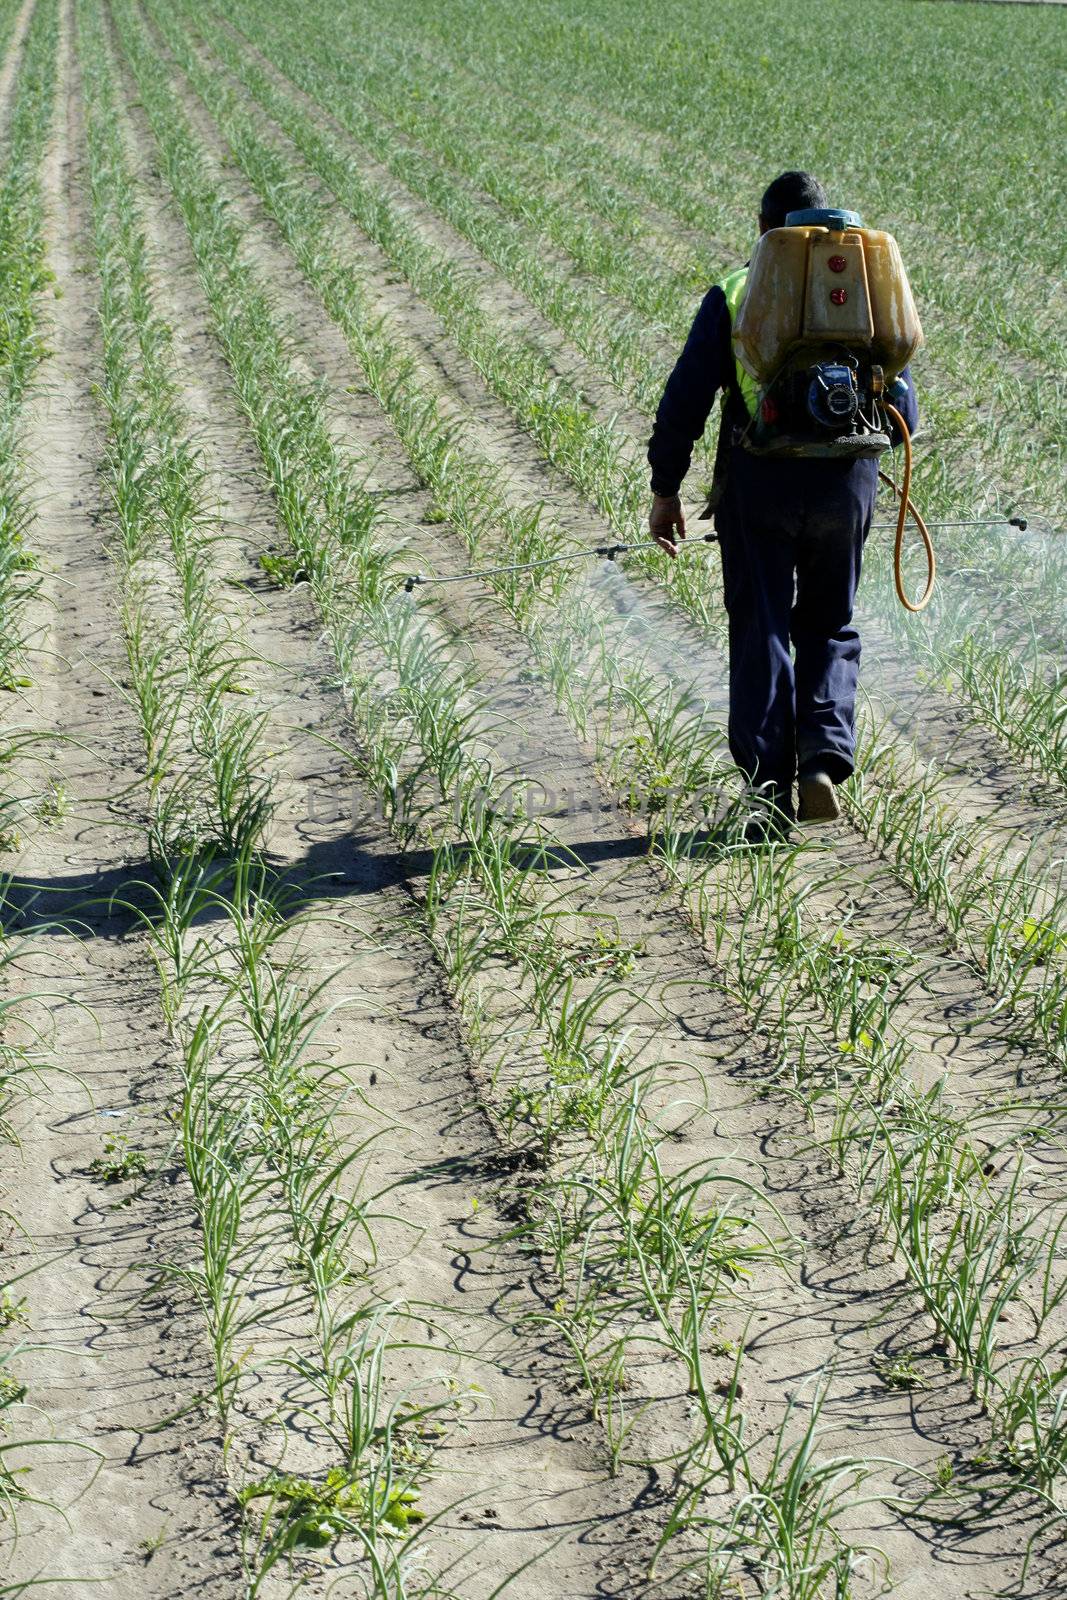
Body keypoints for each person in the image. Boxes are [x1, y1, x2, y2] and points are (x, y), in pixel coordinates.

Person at [647, 171, 918, 830]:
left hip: (759, 480)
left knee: (761, 626)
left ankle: (769, 792)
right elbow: (902, 404)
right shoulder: (865, 292)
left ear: (764, 231)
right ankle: (822, 758)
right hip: (845, 482)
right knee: (829, 622)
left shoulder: (736, 292)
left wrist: (665, 488)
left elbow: (684, 398)